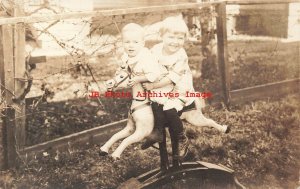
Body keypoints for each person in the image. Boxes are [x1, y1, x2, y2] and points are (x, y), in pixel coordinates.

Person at [98, 23, 168, 159]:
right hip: (137, 99)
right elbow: (123, 72)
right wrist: (114, 81)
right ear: (122, 42)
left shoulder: (147, 58)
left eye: (135, 42)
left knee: (160, 105)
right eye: (127, 42)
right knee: (129, 129)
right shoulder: (126, 57)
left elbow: (154, 75)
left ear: (142, 43)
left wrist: (138, 79)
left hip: (155, 87)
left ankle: (157, 132)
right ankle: (106, 146)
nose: (130, 45)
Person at [141, 16, 195, 161]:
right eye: (171, 37)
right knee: (155, 101)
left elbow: (172, 78)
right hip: (163, 86)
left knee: (169, 108)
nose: (175, 42)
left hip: (179, 88)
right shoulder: (156, 49)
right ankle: (157, 131)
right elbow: (146, 62)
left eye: (180, 38)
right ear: (161, 36)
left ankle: (181, 137)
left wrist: (153, 85)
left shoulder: (181, 56)